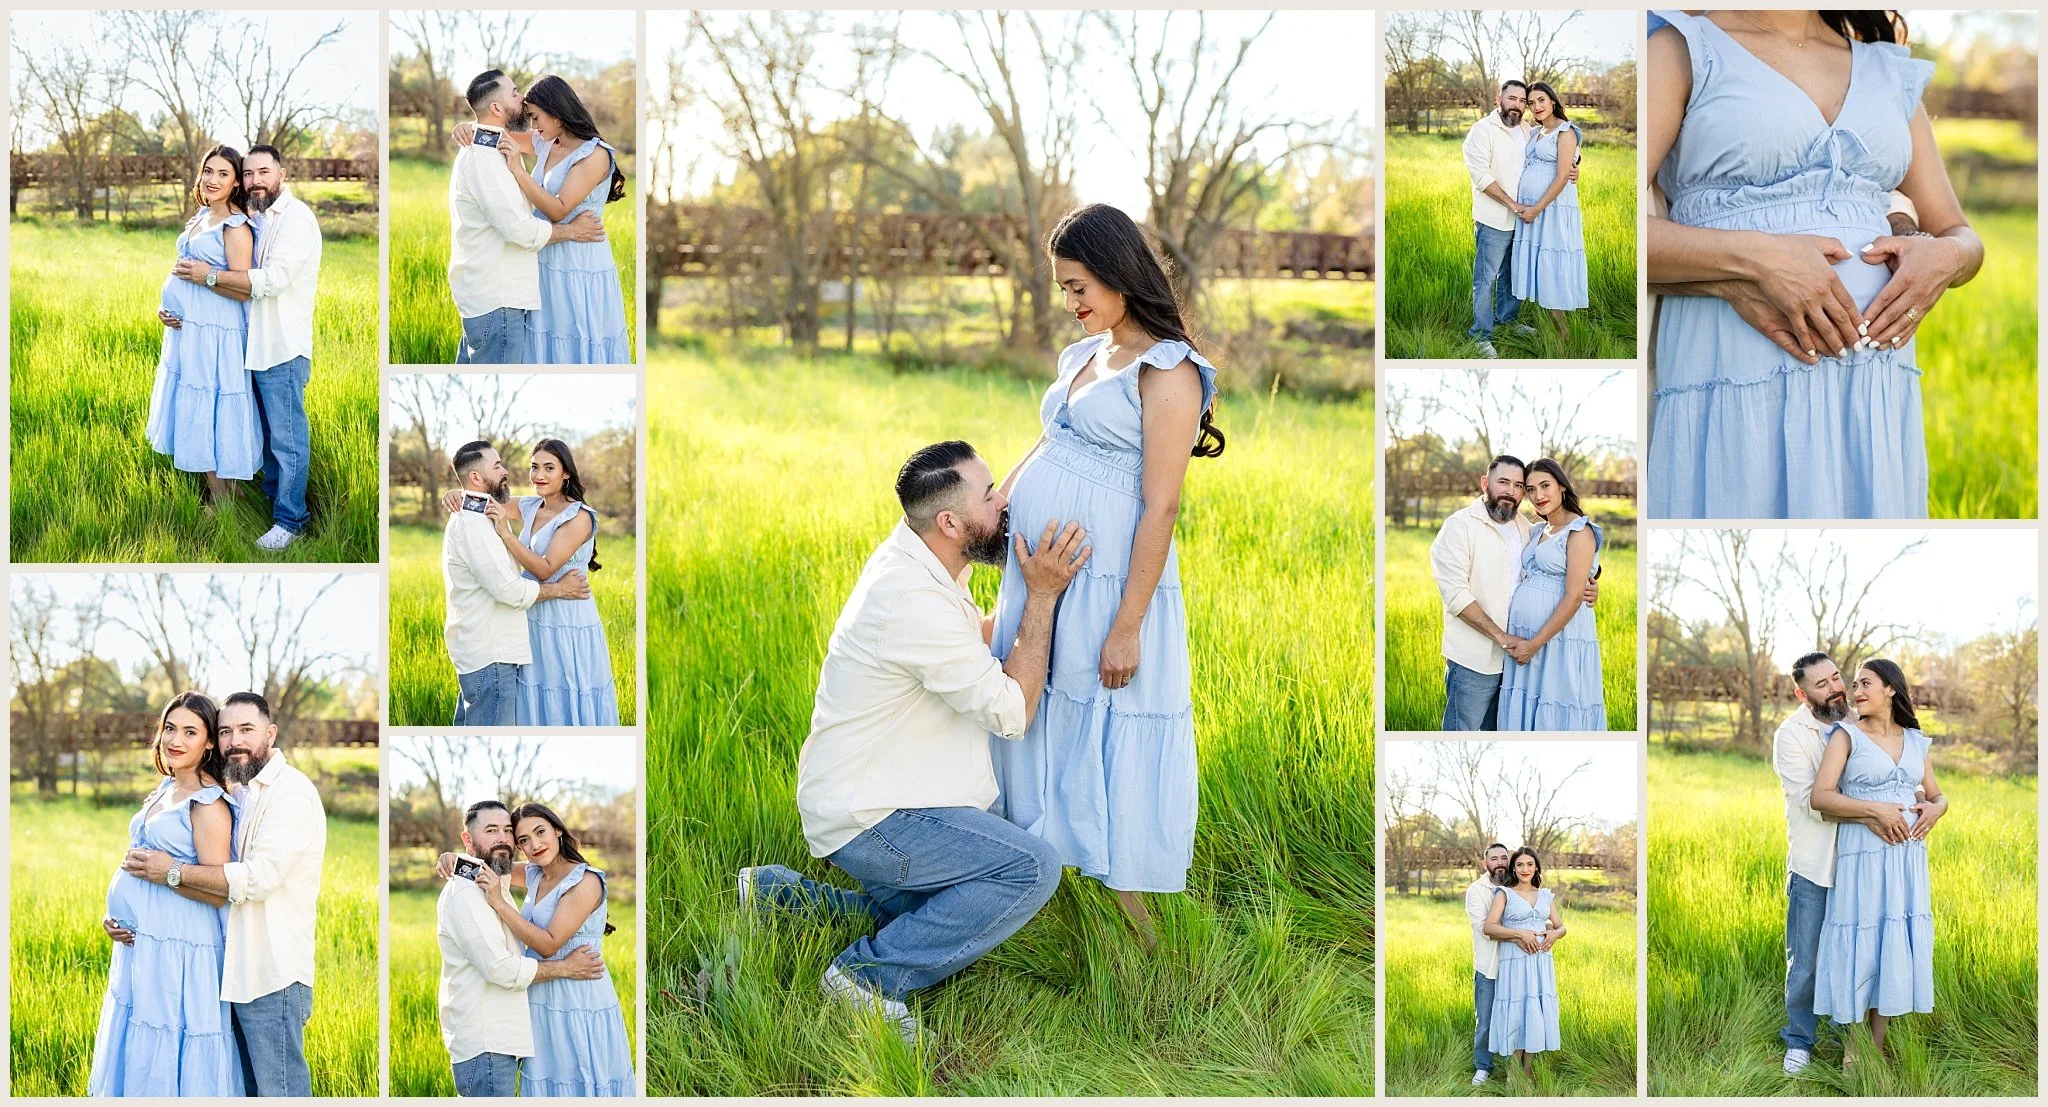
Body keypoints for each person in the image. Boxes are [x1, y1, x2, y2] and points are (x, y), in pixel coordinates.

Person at [738, 441, 1091, 1041]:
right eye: (989, 494)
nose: (1004, 500)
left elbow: (966, 642)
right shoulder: (910, 598)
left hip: (872, 795)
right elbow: (1012, 711)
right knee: (1028, 871)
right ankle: (867, 982)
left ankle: (777, 898)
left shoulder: (919, 562)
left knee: (926, 913)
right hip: (873, 815)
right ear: (950, 523)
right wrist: (1044, 597)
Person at [987, 202, 1221, 945]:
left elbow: (1161, 506)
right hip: (1043, 575)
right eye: (1062, 288)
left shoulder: (1169, 370)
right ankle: (1033, 883)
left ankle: (1139, 932)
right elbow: (1047, 437)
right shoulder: (1085, 354)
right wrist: (994, 512)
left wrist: (1128, 626)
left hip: (1106, 586)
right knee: (1039, 715)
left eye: (1081, 284)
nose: (1072, 301)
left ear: (1122, 273)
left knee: (1104, 727)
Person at [1645, 10, 1985, 518]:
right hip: (1737, 366)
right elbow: (1620, 236)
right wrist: (1757, 260)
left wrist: (1946, 259)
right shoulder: (1682, 50)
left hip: (1873, 383)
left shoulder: (1885, 67)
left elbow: (1961, 234)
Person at [118, 692, 328, 1095]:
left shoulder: (291, 793)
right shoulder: (242, 788)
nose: (236, 740)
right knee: (240, 1090)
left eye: (247, 730)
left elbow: (259, 878)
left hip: (271, 973)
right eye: (227, 731)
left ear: (271, 733)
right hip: (229, 967)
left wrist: (172, 872)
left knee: (278, 1091)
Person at [1771, 651, 1943, 1074]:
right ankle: (1800, 1040)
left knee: (1874, 948)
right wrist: (1879, 811)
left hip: (1884, 861)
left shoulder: (1857, 722)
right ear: (1802, 693)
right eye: (1823, 684)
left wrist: (1932, 804)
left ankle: (1849, 1038)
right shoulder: (1793, 736)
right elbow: (1819, 805)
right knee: (1810, 958)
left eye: (1837, 678)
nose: (1837, 688)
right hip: (1819, 860)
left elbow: (1918, 787)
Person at [169, 144, 324, 551]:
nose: (256, 180)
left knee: (287, 438)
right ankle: (271, 501)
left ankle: (292, 522)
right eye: (251, 173)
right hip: (247, 343)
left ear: (282, 175)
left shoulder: (296, 220)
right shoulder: (256, 215)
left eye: (263, 173)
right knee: (266, 432)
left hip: (281, 345)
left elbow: (270, 280)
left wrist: (208, 276)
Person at [90, 693, 241, 1096]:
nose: (175, 739)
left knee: (172, 1040)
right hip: (143, 945)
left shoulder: (208, 804)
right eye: (170, 728)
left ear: (209, 742)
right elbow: (139, 861)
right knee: (141, 1040)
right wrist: (117, 916)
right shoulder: (166, 787)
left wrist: (166, 874)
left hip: (181, 947)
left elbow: (219, 891)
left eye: (190, 731)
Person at [433, 804, 633, 1096]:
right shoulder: (536, 874)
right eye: (523, 839)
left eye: (540, 832)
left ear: (558, 831)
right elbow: (486, 864)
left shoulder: (586, 881)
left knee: (582, 1081)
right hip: (539, 998)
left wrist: (499, 904)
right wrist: (454, 859)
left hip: (578, 994)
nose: (533, 845)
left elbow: (549, 944)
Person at [441, 439, 618, 725]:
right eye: (535, 467)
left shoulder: (579, 517)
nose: (539, 475)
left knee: (566, 689)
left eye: (549, 468)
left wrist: (506, 533)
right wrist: (455, 493)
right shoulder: (531, 506)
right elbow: (482, 496)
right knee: (535, 694)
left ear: (567, 473)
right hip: (532, 616)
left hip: (567, 614)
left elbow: (546, 568)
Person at [457, 76, 630, 363]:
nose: (534, 126)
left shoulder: (595, 155)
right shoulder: (547, 141)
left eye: (536, 118)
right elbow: (495, 133)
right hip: (543, 258)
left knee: (575, 335)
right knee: (543, 341)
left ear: (558, 116)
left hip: (579, 260)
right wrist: (467, 128)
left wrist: (518, 170)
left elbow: (559, 209)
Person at [1429, 456, 1597, 731]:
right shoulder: (1459, 526)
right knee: (1463, 735)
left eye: (1519, 486)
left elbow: (1558, 555)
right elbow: (1456, 595)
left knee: (1504, 734)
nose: (1511, 491)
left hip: (1520, 664)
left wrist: (1591, 581)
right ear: (1485, 483)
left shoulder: (1524, 527)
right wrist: (1503, 638)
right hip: (1476, 659)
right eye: (1503, 482)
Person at [148, 145, 261, 501]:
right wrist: (168, 309)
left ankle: (225, 497)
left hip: (217, 334)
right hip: (188, 332)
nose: (213, 180)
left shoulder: (235, 226)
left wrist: (205, 276)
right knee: (199, 406)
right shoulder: (201, 217)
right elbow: (182, 270)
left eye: (223, 174)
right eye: (208, 171)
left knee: (215, 407)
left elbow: (243, 289)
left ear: (235, 184)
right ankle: (227, 494)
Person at [1498, 458, 1605, 730]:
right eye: (1531, 489)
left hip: (1557, 640)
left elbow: (1572, 596)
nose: (1538, 495)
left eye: (1545, 486)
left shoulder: (1579, 531)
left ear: (1562, 487)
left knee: (1556, 704)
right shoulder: (1537, 530)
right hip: (1528, 639)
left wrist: (1533, 645)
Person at [1510, 83, 1590, 336]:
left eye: (1541, 100)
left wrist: (1537, 209)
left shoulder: (1565, 132)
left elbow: (1562, 176)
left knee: (1553, 261)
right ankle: (1544, 325)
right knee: (1539, 262)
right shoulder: (1536, 132)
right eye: (1531, 103)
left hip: (1551, 209)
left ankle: (1562, 331)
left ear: (1553, 101)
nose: (1536, 107)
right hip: (1533, 208)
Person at [1461, 81, 1532, 358]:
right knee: (1486, 279)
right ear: (1498, 99)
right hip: (1493, 220)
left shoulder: (1527, 130)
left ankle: (1509, 321)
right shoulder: (1481, 132)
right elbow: (1481, 178)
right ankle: (1480, 335)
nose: (1516, 104)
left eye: (1522, 101)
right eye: (1511, 98)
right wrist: (1512, 204)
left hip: (1522, 221)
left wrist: (1574, 165)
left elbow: (1555, 145)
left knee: (1513, 276)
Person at [1482, 847, 1566, 1076]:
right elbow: (1489, 928)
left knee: (1534, 1011)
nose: (1525, 869)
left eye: (1529, 864)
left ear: (1536, 867)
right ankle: (1513, 1072)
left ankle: (1527, 1070)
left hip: (1540, 962)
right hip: (1515, 962)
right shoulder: (1504, 894)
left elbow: (1561, 926)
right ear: (1514, 868)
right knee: (1518, 1011)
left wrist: (1554, 934)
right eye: (1520, 865)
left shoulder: (1545, 895)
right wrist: (1520, 935)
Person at [1465, 843, 1513, 1087]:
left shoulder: (1519, 885)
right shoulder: (1477, 891)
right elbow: (1486, 931)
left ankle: (1514, 1067)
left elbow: (1539, 914)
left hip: (1517, 967)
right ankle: (1483, 1066)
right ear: (1486, 864)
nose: (1500, 862)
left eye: (1504, 857)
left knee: (1516, 1017)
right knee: (1485, 1021)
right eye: (1494, 858)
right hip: (1489, 967)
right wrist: (1522, 933)